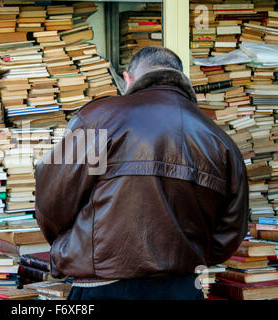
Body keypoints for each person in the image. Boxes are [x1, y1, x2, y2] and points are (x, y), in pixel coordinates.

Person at [34, 46, 249, 300]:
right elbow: (231, 230)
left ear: (128, 79)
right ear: (183, 80)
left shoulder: (96, 118)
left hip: (104, 286)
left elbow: (51, 201)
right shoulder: (221, 141)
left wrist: (73, 248)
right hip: (182, 288)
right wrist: (185, 257)